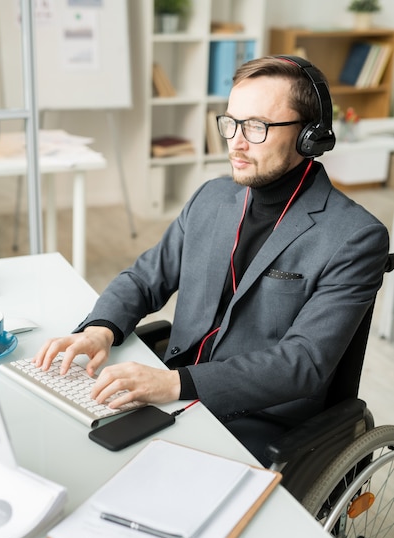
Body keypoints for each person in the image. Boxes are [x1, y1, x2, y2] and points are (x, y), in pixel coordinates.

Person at [34, 55, 389, 466]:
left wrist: (173, 383)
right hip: (172, 394)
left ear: (310, 136)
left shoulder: (354, 236)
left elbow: (303, 363)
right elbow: (146, 277)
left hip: (256, 423)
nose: (236, 142)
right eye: (231, 123)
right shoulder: (211, 198)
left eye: (257, 127)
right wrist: (100, 330)